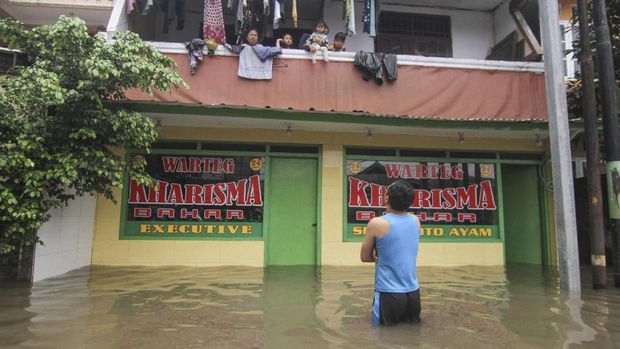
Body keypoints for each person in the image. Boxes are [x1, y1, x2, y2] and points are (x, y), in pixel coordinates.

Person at [360, 180, 421, 326]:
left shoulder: (377, 223)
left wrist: (377, 255)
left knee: (383, 338)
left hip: (389, 293)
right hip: (413, 293)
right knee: (411, 338)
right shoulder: (416, 221)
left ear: (387, 198)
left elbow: (365, 257)